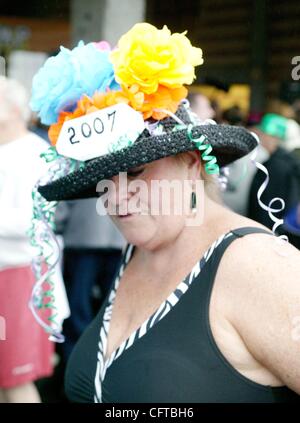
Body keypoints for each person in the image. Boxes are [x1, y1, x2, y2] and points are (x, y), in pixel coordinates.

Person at [30, 23, 300, 403]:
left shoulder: (260, 266)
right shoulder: (139, 249)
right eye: (102, 179)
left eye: (136, 172)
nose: (115, 196)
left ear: (191, 162)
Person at [0, 76, 54, 403]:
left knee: (17, 379)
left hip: (21, 276)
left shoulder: (35, 152)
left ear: (16, 108)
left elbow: (35, 219)